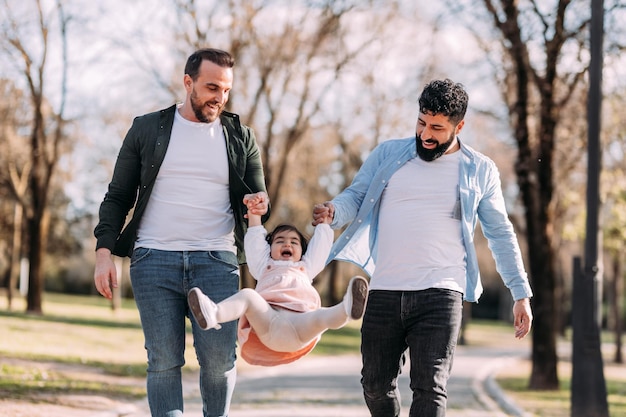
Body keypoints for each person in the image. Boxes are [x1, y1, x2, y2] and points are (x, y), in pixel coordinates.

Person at [312, 79, 533, 417]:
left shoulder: (479, 170)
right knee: (374, 383)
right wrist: (333, 211)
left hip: (442, 292)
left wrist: (520, 292)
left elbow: (500, 233)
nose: (426, 134)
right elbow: (354, 196)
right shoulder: (389, 154)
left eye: (437, 128)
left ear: (459, 126)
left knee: (430, 389)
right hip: (385, 287)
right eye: (421, 123)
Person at [93, 48, 269, 417]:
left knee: (220, 361)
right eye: (211, 87)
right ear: (188, 82)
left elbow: (257, 195)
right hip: (153, 260)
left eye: (225, 89)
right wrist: (104, 252)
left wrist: (258, 204)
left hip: (216, 261)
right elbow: (118, 195)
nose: (219, 97)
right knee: (163, 361)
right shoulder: (147, 128)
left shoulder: (240, 136)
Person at [187, 192, 369, 367]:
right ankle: (213, 314)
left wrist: (324, 224)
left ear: (302, 252)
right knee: (248, 295)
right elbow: (255, 243)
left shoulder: (306, 267)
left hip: (302, 323)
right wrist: (254, 217)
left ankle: (347, 309)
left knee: (321, 316)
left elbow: (320, 247)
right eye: (280, 241)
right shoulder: (264, 267)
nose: (287, 243)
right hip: (269, 323)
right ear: (270, 249)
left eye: (294, 242)